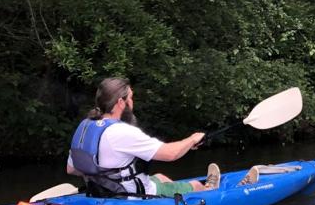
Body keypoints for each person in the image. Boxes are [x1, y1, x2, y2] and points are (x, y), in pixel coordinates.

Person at [67, 77, 223, 197]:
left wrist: (102, 176)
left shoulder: (85, 127)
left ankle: (176, 196)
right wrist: (193, 139)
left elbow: (72, 169)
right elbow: (170, 154)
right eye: (131, 98)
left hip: (102, 193)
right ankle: (208, 191)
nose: (132, 102)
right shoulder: (122, 132)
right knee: (195, 185)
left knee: (160, 177)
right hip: (132, 196)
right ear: (121, 102)